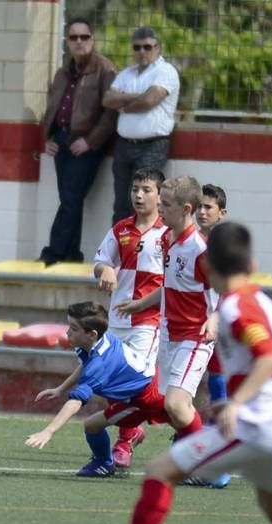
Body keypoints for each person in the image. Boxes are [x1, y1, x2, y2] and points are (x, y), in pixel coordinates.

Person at [129, 221, 272, 524]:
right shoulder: (260, 300)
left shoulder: (235, 309)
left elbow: (269, 356)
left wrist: (235, 404)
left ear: (207, 265)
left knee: (159, 471)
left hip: (260, 424)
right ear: (253, 266)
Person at [114, 176, 215, 452]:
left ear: (185, 209)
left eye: (166, 204)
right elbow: (171, 286)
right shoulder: (167, 239)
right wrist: (141, 304)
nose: (160, 208)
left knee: (175, 404)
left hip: (195, 336)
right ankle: (192, 452)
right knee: (166, 404)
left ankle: (206, 459)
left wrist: (215, 319)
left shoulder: (200, 248)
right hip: (169, 333)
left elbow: (228, 289)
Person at [25, 302, 168, 478]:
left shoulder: (100, 361)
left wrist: (49, 431)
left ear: (91, 334)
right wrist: (61, 389)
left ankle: (103, 463)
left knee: (91, 425)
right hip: (149, 385)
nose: (67, 332)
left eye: (74, 328)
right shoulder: (99, 340)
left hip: (145, 398)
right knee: (184, 420)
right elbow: (86, 365)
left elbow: (77, 400)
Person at [92, 167, 166, 468]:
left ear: (160, 195)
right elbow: (100, 261)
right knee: (104, 385)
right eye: (135, 188)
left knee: (134, 383)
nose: (138, 194)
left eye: (146, 189)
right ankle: (135, 429)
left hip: (148, 322)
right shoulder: (120, 229)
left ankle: (124, 442)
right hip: (117, 320)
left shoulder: (168, 235)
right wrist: (105, 269)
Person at [37, 17, 117, 266]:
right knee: (70, 200)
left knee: (71, 197)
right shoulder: (62, 73)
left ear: (92, 40)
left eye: (84, 37)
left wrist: (91, 141)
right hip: (60, 141)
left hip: (85, 145)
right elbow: (51, 107)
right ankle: (72, 255)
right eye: (74, 37)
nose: (79, 42)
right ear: (67, 42)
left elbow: (111, 112)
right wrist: (47, 137)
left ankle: (53, 252)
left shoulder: (105, 69)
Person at [102, 27, 180, 225]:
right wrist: (139, 95)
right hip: (124, 146)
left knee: (144, 203)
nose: (142, 51)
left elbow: (151, 100)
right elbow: (108, 99)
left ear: (157, 48)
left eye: (147, 47)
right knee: (121, 203)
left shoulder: (166, 71)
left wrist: (125, 106)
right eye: (137, 47)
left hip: (152, 146)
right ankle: (119, 252)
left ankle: (143, 251)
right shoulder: (127, 74)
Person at [196, 184, 229, 414]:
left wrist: (217, 317)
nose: (202, 212)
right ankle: (185, 428)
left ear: (222, 213)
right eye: (199, 206)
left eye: (208, 207)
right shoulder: (186, 240)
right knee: (185, 381)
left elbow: (229, 287)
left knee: (217, 378)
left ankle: (223, 428)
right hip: (189, 320)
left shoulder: (225, 245)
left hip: (217, 321)